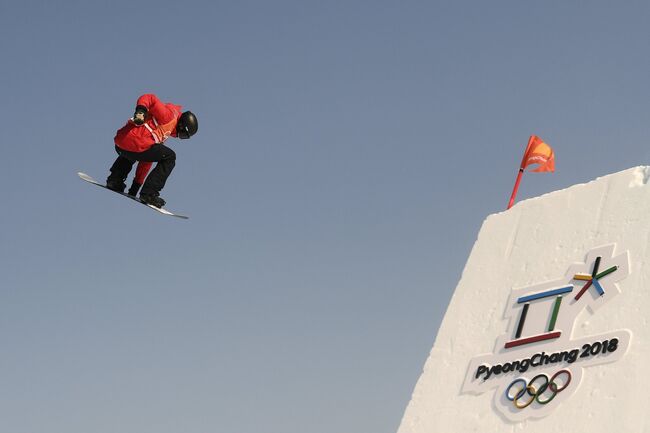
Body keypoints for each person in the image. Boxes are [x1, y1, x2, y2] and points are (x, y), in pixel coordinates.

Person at [106, 94, 198, 207]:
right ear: (182, 126)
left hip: (121, 143)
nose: (179, 137)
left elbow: (146, 160)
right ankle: (150, 194)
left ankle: (115, 180)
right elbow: (150, 98)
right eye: (183, 135)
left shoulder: (161, 132)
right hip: (137, 142)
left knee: (136, 150)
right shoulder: (169, 116)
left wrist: (135, 186)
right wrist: (141, 110)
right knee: (170, 157)